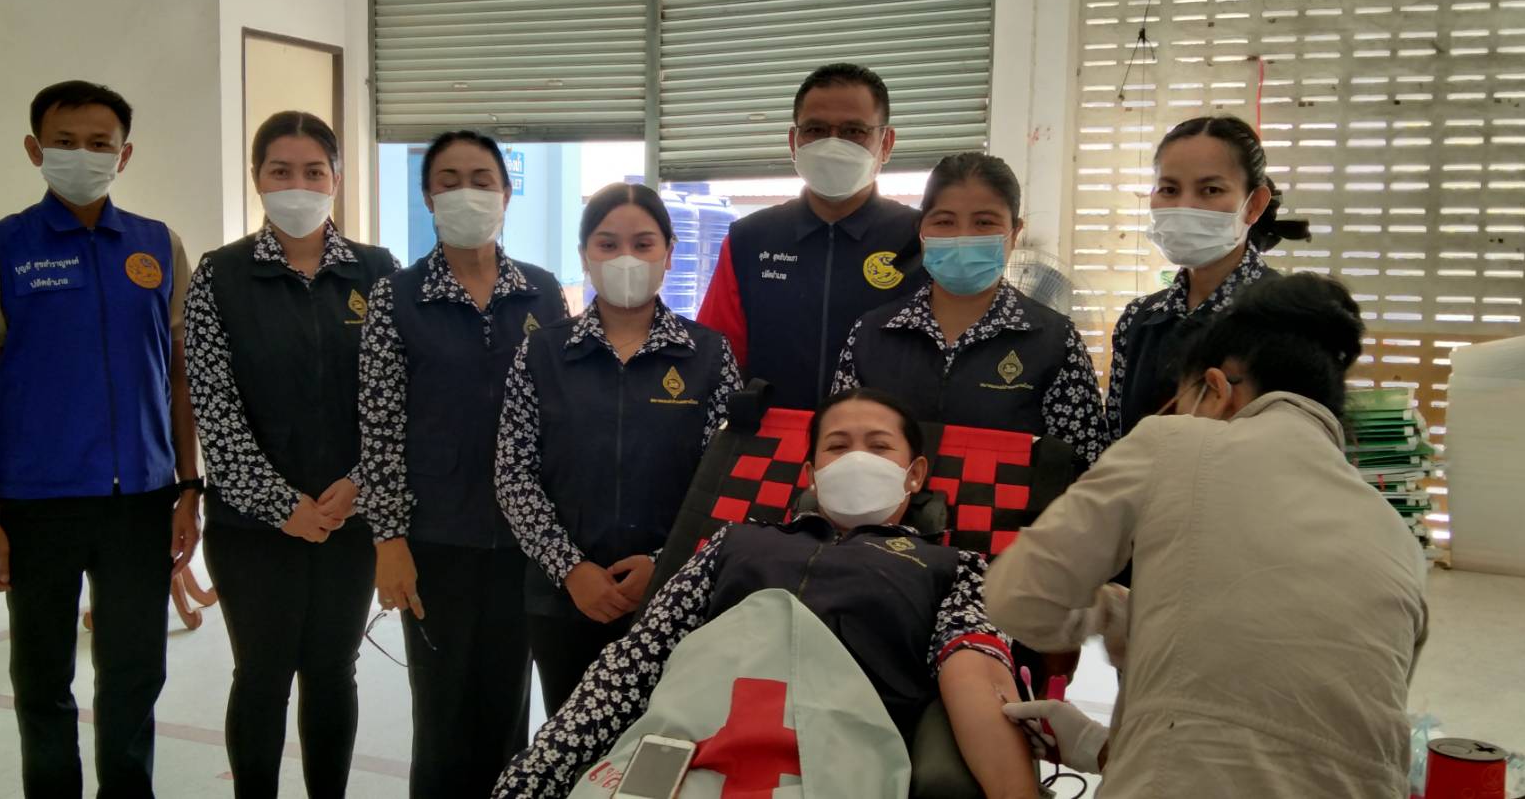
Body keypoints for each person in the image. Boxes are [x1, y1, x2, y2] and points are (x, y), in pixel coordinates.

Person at [985, 274, 1428, 798]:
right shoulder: (1397, 536)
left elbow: (1020, 598)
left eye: (1178, 400)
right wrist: (1095, 744)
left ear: (1215, 390)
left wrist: (1104, 613)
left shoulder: (1176, 442)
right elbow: (1284, 711)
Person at [495, 388, 1040, 799]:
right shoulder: (734, 542)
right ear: (811, 474)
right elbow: (634, 663)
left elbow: (977, 677)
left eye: (879, 446)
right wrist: (531, 778)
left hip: (835, 760)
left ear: (915, 474)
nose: (857, 459)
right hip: (684, 753)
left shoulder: (953, 568)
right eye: (837, 446)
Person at [0, 80, 201, 797]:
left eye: (99, 143)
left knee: (134, 675)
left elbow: (180, 378)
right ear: (35, 149)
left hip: (141, 503)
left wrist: (189, 488)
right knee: (41, 679)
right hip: (39, 505)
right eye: (65, 142)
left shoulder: (160, 246)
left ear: (124, 155)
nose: (82, 155)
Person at [185, 112, 398, 798]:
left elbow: (397, 398)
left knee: (334, 672)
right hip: (252, 528)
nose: (297, 184)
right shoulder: (220, 275)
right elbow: (214, 409)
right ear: (257, 178)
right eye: (280, 170)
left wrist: (358, 486)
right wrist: (282, 506)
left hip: (349, 522)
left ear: (336, 177)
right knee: (262, 674)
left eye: (313, 171)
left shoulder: (377, 271)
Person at [358, 130, 569, 798]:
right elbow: (380, 427)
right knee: (443, 713)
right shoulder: (398, 295)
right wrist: (388, 540)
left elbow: (563, 417)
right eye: (448, 180)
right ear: (428, 197)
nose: (466, 193)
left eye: (482, 179)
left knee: (507, 710)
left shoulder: (541, 292)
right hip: (435, 539)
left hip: (523, 542)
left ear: (506, 194)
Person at [495, 182, 743, 716]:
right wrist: (571, 569)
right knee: (572, 736)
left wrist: (664, 565)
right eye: (607, 244)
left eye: (643, 243)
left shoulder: (708, 355)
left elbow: (724, 482)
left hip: (674, 597)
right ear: (585, 255)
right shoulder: (542, 352)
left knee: (663, 741)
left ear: (669, 253)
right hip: (564, 599)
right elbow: (514, 474)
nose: (625, 257)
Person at [833, 152, 1109, 469]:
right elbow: (839, 448)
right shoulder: (871, 334)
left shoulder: (1055, 342)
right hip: (887, 502)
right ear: (921, 232)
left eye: (984, 222)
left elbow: (1085, 467)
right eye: (944, 222)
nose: (963, 236)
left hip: (1009, 503)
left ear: (1015, 232)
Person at [696, 62, 923, 410]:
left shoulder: (918, 240)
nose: (833, 144)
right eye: (815, 130)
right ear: (794, 141)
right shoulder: (750, 239)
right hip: (770, 437)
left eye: (854, 131)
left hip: (880, 439)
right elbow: (716, 358)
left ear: (886, 142)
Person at [1105, 114, 1309, 441]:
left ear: (1253, 205)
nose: (1185, 205)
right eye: (1169, 189)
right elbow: (1117, 442)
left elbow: (1303, 451)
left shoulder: (1293, 320)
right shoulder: (1139, 320)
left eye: (1210, 190)